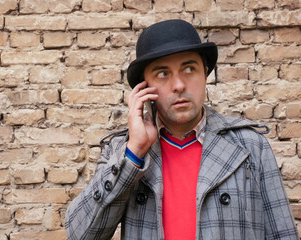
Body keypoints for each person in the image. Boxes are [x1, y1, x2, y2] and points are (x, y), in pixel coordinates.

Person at [65, 19, 299, 240]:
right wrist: (135, 152)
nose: (178, 85)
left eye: (189, 69)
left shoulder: (250, 146)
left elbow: (283, 234)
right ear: (144, 88)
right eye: (163, 74)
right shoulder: (123, 152)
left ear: (205, 73)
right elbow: (81, 234)